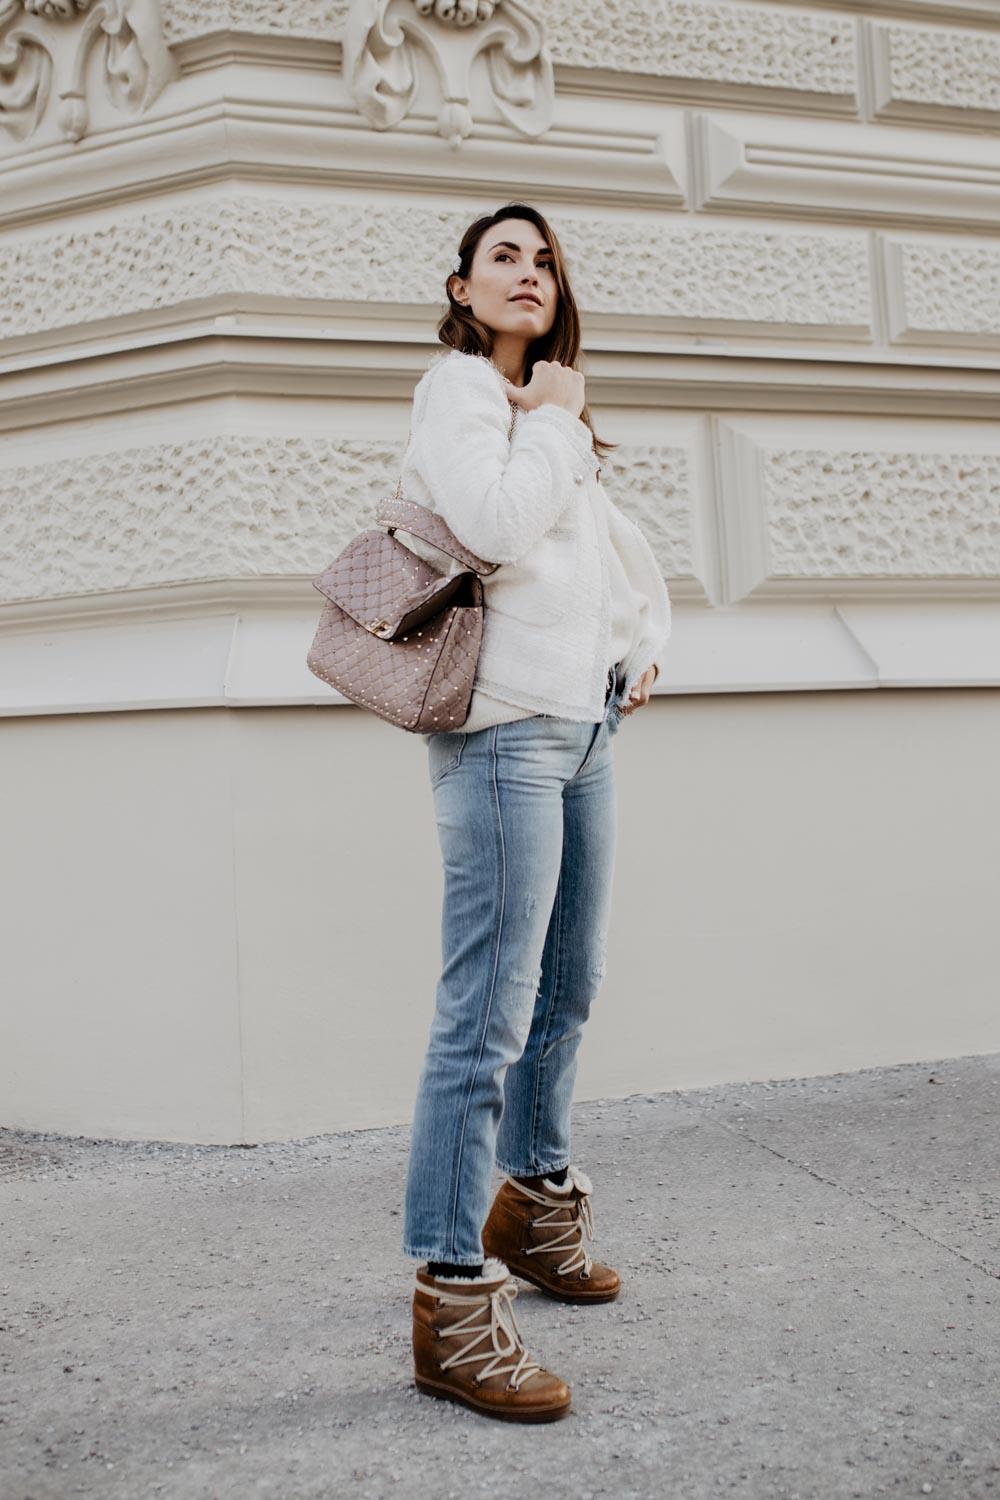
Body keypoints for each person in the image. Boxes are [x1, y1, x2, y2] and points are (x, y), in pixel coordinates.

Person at [398, 202, 672, 1423]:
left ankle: (536, 1202)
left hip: (585, 723)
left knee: (571, 985)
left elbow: (605, 558)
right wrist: (554, 421)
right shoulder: (459, 392)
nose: (528, 271)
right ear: (462, 288)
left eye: (544, 256)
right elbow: (494, 529)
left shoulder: (554, 411)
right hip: (504, 731)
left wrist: (639, 643)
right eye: (503, 256)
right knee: (485, 1014)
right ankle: (453, 1298)